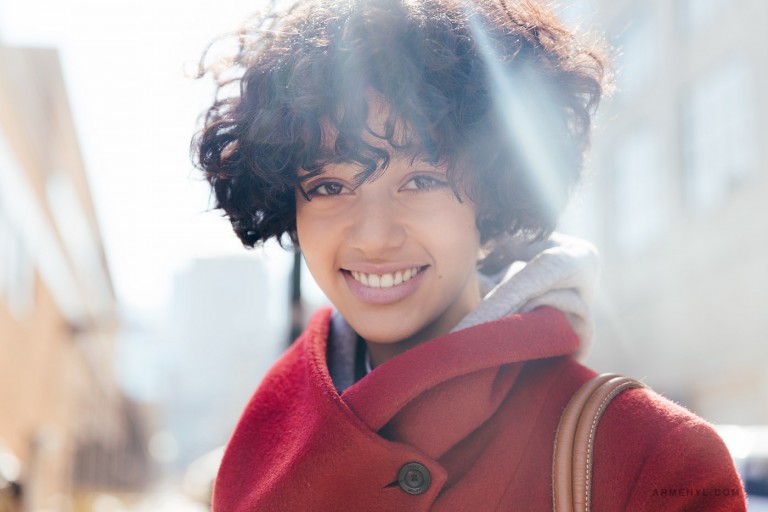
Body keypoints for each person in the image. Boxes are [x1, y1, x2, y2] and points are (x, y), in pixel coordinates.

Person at [193, 0, 747, 509]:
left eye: (422, 179)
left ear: (496, 190)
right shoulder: (259, 444)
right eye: (329, 187)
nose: (374, 237)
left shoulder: (652, 455)